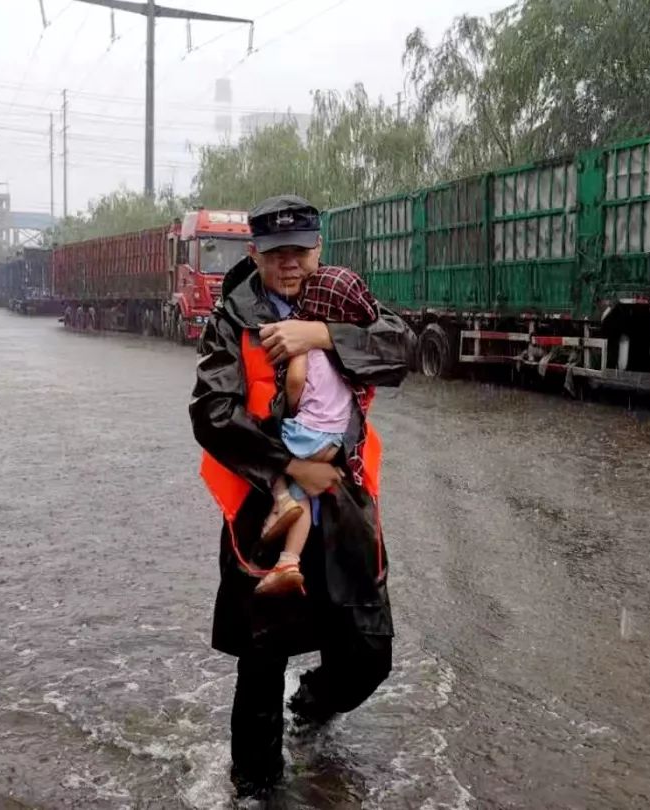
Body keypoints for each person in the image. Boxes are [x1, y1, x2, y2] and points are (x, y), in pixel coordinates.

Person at [189, 194, 416, 798]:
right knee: (262, 659)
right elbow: (211, 413)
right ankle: (256, 788)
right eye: (275, 254)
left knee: (369, 652)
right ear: (257, 256)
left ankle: (311, 709)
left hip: (344, 503)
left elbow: (402, 348)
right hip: (268, 506)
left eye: (299, 251)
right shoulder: (232, 317)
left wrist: (320, 334)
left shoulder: (343, 296)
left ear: (318, 249)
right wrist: (289, 466)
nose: (289, 264)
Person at [256, 265, 382, 597]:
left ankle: (279, 500)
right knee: (306, 491)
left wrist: (293, 408)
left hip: (308, 433)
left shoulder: (302, 336)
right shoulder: (350, 345)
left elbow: (296, 379)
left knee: (262, 441)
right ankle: (289, 559)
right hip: (339, 439)